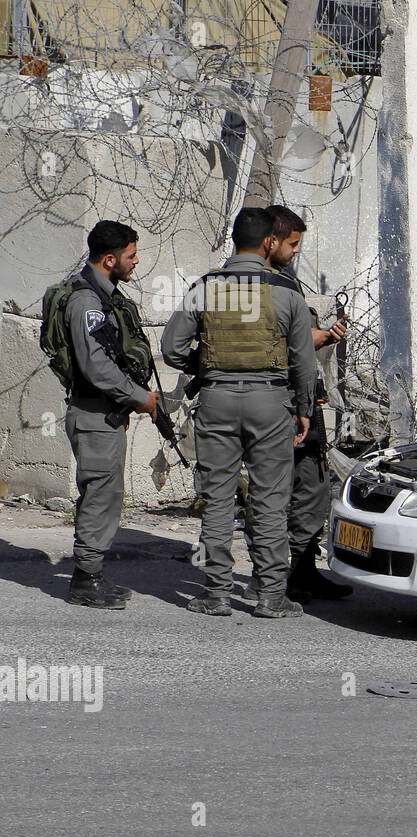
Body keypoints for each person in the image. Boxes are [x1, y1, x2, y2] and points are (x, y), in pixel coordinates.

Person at [162, 207, 314, 618]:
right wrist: (303, 410)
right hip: (271, 403)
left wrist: (210, 366)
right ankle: (269, 596)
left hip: (216, 401)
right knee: (269, 499)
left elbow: (172, 349)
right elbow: (303, 362)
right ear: (269, 242)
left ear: (233, 239)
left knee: (217, 498)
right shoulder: (287, 293)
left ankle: (216, 594)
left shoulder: (204, 287)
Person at [61, 220, 159, 608]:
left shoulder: (104, 296)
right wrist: (139, 397)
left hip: (103, 415)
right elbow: (95, 367)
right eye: (131, 255)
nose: (136, 262)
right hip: (92, 414)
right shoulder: (87, 302)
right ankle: (85, 581)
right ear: (109, 259)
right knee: (100, 495)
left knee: (105, 493)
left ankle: (92, 573)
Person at [263, 204, 351, 603]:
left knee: (311, 486)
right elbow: (281, 343)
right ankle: (278, 579)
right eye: (292, 244)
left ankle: (302, 570)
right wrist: (315, 338)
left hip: (301, 396)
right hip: (282, 402)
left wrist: (320, 336)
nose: (296, 251)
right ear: (272, 240)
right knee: (287, 488)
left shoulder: (282, 282)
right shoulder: (264, 286)